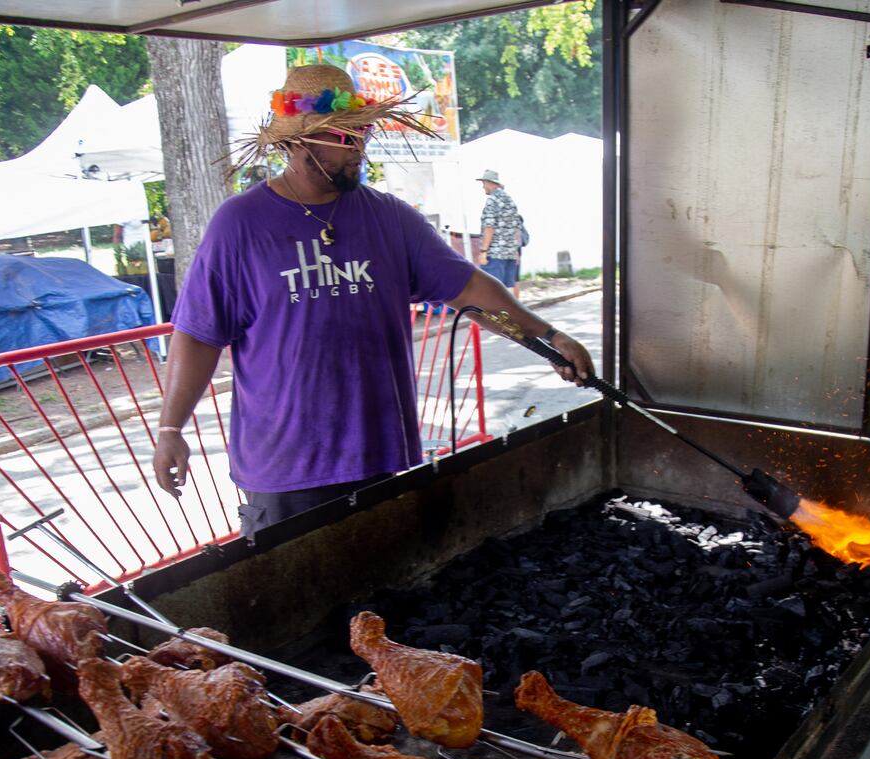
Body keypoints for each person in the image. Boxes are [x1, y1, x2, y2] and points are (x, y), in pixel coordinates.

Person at [151, 63, 594, 541]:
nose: (358, 148)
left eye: (362, 133)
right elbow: (197, 334)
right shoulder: (239, 225)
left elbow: (469, 291)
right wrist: (171, 429)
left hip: (380, 453)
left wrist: (547, 337)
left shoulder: (390, 218)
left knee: (386, 599)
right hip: (288, 468)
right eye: (345, 137)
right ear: (299, 142)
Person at [475, 169, 522, 296]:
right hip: (510, 254)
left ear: (490, 183)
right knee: (508, 289)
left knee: (492, 290)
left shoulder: (493, 200)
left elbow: (489, 227)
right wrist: (515, 250)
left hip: (495, 254)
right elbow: (517, 228)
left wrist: (484, 252)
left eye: (484, 183)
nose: (483, 187)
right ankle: (510, 315)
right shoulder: (510, 200)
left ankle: (495, 315)